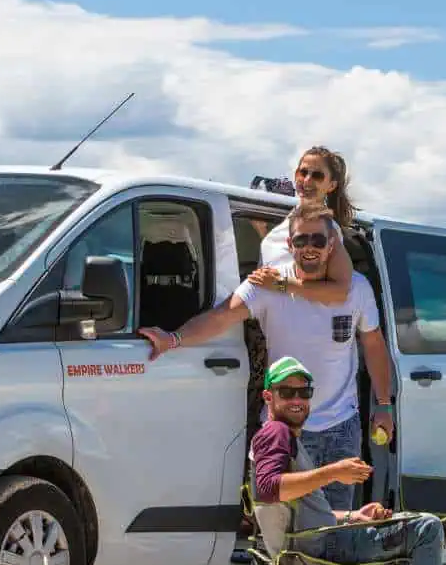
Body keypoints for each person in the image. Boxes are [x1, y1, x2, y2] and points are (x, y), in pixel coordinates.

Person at [139, 201, 394, 511]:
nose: (309, 248)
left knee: (335, 527)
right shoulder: (267, 284)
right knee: (284, 526)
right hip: (284, 430)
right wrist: (173, 339)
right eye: (301, 240)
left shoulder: (356, 288)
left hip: (340, 427)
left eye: (317, 240)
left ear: (331, 245)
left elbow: (374, 345)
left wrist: (384, 405)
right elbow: (221, 317)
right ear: (290, 244)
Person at [250, 355, 446, 565]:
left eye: (304, 392)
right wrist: (333, 472)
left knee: (415, 528)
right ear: (269, 397)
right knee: (427, 527)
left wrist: (353, 516)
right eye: (287, 392)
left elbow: (301, 512)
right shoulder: (276, 432)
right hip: (319, 554)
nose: (297, 400)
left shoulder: (282, 436)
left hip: (303, 552)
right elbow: (268, 489)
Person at [248, 146, 356, 306]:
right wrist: (263, 232)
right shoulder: (291, 220)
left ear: (331, 186)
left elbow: (339, 292)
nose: (307, 180)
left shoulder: (328, 230)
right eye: (303, 172)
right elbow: (283, 262)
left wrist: (280, 284)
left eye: (317, 176)